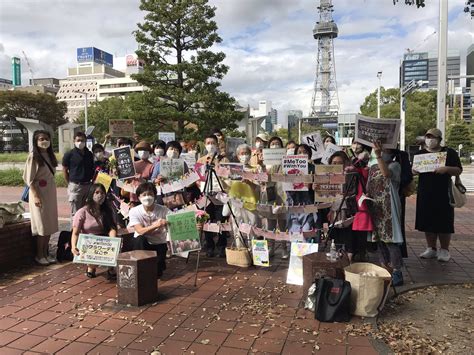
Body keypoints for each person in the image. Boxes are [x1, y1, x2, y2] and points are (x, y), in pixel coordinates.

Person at [414, 128, 462, 262]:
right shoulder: (420, 153)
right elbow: (413, 170)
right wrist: (414, 170)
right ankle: (431, 248)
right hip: (425, 192)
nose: (430, 140)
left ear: (439, 139)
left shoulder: (449, 152)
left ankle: (445, 249)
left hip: (443, 192)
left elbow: (458, 170)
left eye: (433, 137)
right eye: (428, 137)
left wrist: (446, 169)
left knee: (444, 220)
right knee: (427, 220)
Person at [367, 141, 404, 286]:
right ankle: (385, 268)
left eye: (385, 149)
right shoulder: (373, 166)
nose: (382, 151)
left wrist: (378, 156)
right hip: (376, 206)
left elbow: (386, 174)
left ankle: (397, 271)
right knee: (379, 240)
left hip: (389, 206)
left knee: (391, 240)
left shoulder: (395, 165)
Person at [23, 130, 59, 265]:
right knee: (42, 225)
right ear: (36, 141)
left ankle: (46, 252)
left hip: (50, 191)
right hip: (39, 192)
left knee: (50, 224)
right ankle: (39, 254)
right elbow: (29, 179)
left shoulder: (50, 155)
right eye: (41, 139)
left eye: (46, 138)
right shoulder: (33, 156)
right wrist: (36, 196)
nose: (44, 141)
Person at [71, 183, 117, 278]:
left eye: (102, 193)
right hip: (89, 240)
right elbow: (75, 233)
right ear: (91, 194)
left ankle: (111, 267)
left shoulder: (108, 210)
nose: (100, 195)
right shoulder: (82, 212)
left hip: (104, 239)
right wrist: (73, 246)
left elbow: (112, 228)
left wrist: (113, 241)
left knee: (115, 243)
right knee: (93, 261)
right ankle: (91, 267)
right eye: (97, 192)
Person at [128, 182, 170, 278]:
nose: (147, 197)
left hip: (159, 243)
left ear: (155, 196)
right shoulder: (134, 211)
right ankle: (140, 265)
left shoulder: (164, 210)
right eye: (144, 195)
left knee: (157, 274)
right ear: (139, 197)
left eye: (150, 194)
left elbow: (177, 220)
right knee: (140, 239)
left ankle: (160, 264)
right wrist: (157, 225)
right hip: (142, 244)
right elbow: (140, 230)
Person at [197, 135, 229, 257]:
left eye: (213, 142)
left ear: (217, 144)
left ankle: (222, 246)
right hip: (206, 195)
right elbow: (197, 177)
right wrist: (200, 183)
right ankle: (209, 245)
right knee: (206, 220)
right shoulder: (201, 160)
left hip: (220, 195)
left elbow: (227, 176)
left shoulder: (223, 159)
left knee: (221, 220)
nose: (210, 145)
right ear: (205, 145)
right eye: (208, 142)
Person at [326, 151, 356, 261]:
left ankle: (349, 261)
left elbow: (354, 191)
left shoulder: (350, 175)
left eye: (340, 162)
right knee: (335, 235)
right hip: (333, 211)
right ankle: (336, 259)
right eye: (334, 162)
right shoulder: (327, 176)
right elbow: (323, 194)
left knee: (348, 236)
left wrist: (345, 195)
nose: (336, 165)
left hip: (347, 211)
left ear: (345, 163)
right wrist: (317, 187)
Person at [287, 144, 317, 234]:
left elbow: (320, 189)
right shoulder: (289, 168)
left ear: (309, 154)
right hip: (294, 204)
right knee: (294, 232)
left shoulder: (314, 168)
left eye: (305, 152)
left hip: (310, 204)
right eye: (299, 152)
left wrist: (313, 186)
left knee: (307, 230)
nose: (302, 154)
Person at [62, 132, 95, 216]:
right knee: (76, 213)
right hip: (76, 186)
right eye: (78, 140)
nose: (80, 142)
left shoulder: (89, 154)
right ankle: (75, 229)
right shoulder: (69, 154)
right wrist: (69, 183)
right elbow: (64, 170)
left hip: (88, 186)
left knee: (87, 212)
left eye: (83, 140)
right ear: (74, 141)